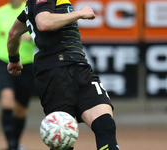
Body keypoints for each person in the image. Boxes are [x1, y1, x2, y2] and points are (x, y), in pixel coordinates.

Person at [7, 0, 119, 150]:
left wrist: (14, 60)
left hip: (80, 69)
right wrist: (79, 13)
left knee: (105, 124)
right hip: (55, 73)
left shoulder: (30, 8)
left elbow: (13, 33)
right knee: (62, 141)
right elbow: (43, 23)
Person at [0, 0, 37, 150]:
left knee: (20, 110)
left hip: (26, 65)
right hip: (4, 63)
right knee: (7, 102)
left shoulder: (31, 10)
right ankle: (11, 145)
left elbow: (44, 34)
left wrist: (31, 38)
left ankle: (16, 143)